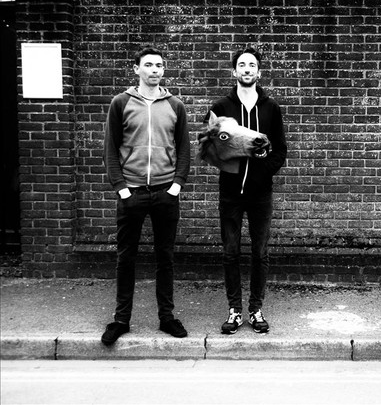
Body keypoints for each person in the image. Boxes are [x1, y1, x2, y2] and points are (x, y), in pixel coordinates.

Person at [101, 45, 191, 345]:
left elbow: (184, 149)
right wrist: (122, 188)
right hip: (132, 193)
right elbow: (111, 149)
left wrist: (176, 185)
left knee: (165, 258)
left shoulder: (175, 105)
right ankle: (121, 319)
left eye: (159, 65)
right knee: (126, 258)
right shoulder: (121, 103)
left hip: (166, 192)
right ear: (136, 69)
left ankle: (166, 317)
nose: (155, 70)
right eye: (149, 65)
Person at [204, 47, 287, 335]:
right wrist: (233, 155)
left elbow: (281, 150)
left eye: (252, 65)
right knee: (230, 252)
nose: (247, 69)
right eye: (242, 65)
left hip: (260, 193)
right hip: (230, 192)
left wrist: (263, 170)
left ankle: (255, 309)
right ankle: (235, 311)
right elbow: (209, 148)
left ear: (259, 72)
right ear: (234, 71)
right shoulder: (220, 107)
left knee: (260, 252)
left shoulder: (271, 107)